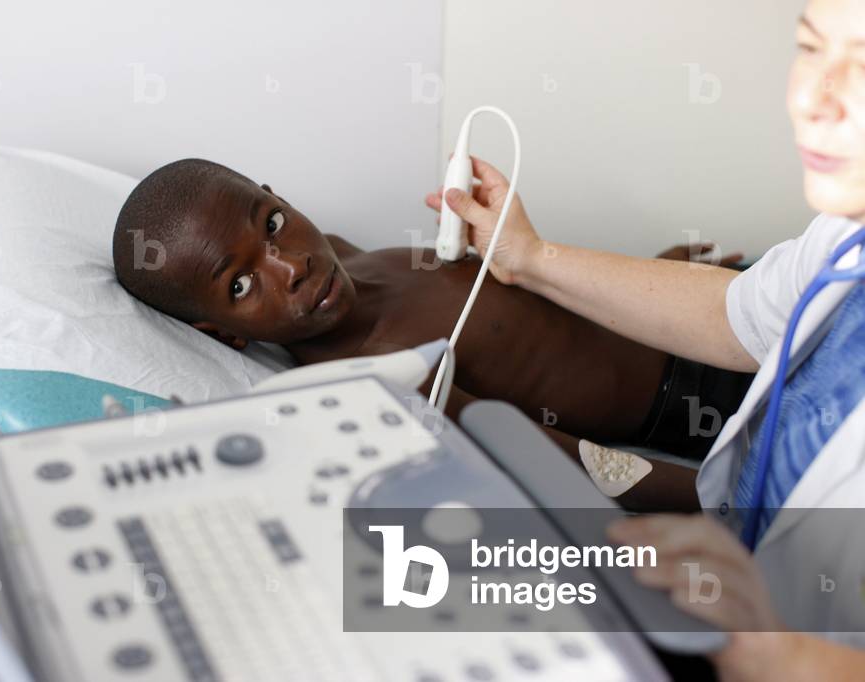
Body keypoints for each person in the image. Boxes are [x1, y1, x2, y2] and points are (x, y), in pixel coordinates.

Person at [425, 0, 865, 678]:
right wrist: (528, 257)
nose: (812, 97)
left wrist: (785, 653)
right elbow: (739, 316)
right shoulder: (848, 231)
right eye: (809, 47)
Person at [111, 159, 753, 510]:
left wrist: (655, 273)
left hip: (677, 312)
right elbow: (579, 464)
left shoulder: (340, 256)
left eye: (272, 222)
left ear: (276, 194)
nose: (290, 265)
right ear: (222, 335)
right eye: (242, 287)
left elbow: (528, 306)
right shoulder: (389, 373)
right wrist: (730, 500)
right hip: (702, 399)